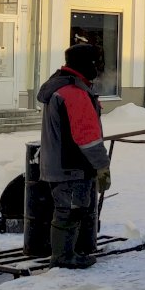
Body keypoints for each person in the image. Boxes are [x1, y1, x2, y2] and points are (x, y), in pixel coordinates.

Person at [36, 44, 111, 269]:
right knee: (69, 210)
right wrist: (102, 166)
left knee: (72, 208)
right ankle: (63, 256)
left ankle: (72, 251)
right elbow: (87, 137)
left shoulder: (63, 86)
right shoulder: (74, 93)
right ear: (85, 65)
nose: (97, 69)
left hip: (62, 161)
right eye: (95, 64)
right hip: (71, 164)